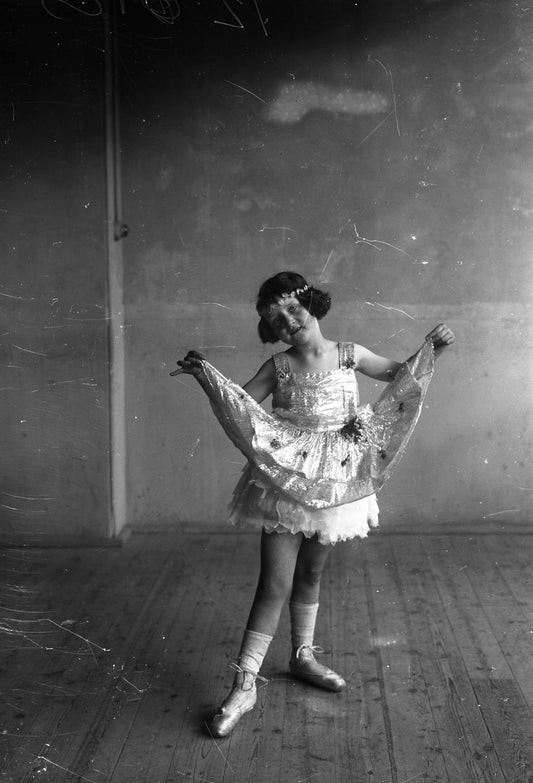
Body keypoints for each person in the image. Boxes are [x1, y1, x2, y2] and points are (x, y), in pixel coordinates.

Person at [171, 271, 455, 738]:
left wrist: (433, 348)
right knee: (274, 583)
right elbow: (240, 404)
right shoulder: (278, 367)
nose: (287, 322)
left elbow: (400, 376)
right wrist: (206, 376)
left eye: (292, 309)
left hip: (339, 484)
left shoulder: (351, 354)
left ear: (312, 304)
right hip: (287, 483)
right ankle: (245, 683)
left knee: (311, 573)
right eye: (275, 319)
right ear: (269, 330)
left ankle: (302, 655)